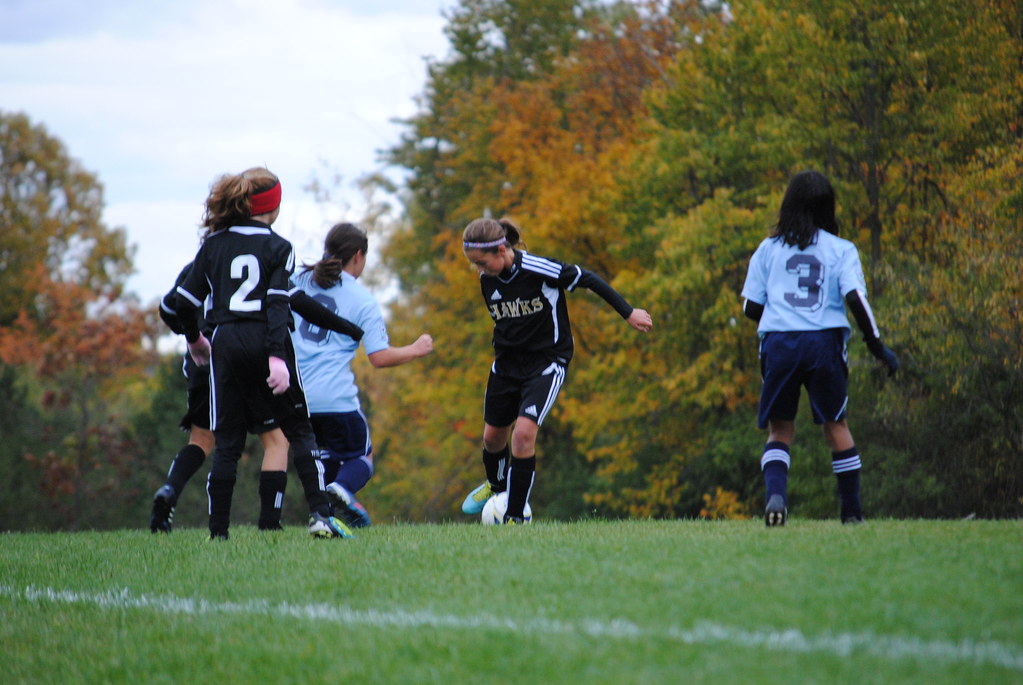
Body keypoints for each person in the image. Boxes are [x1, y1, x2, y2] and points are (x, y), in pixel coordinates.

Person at [173, 166, 356, 540]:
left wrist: (194, 340)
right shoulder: (279, 247)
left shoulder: (213, 245)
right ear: (274, 206)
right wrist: (276, 356)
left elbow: (182, 303)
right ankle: (321, 516)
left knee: (228, 442)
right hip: (267, 337)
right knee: (299, 429)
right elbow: (277, 303)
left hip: (224, 341)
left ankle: (218, 534)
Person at [459, 217, 653, 524]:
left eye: (482, 263)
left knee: (523, 434)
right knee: (493, 439)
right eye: (475, 265)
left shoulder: (539, 269)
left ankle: (514, 517)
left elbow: (588, 278)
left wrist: (628, 312)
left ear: (501, 250)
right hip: (506, 365)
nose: (479, 270)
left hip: (546, 363)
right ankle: (496, 487)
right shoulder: (488, 278)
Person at [150, 261, 364, 533]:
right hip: (249, 354)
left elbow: (169, 308)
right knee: (275, 440)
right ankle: (270, 523)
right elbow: (298, 302)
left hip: (203, 360)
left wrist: (194, 335)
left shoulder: (201, 263)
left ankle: (171, 491)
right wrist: (348, 328)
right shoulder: (259, 256)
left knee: (202, 440)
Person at [740, 170, 899, 527]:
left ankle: (776, 497)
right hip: (824, 343)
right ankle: (852, 514)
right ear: (828, 207)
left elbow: (750, 307)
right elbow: (855, 299)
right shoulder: (841, 250)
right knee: (836, 425)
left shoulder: (768, 249)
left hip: (780, 343)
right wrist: (878, 348)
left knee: (780, 430)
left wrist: (782, 315)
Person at [291, 222, 433, 529]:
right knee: (361, 459)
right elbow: (379, 357)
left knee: (324, 459)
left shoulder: (296, 281)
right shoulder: (362, 299)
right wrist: (415, 349)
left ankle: (326, 518)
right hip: (335, 396)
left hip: (296, 395)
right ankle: (342, 490)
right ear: (358, 256)